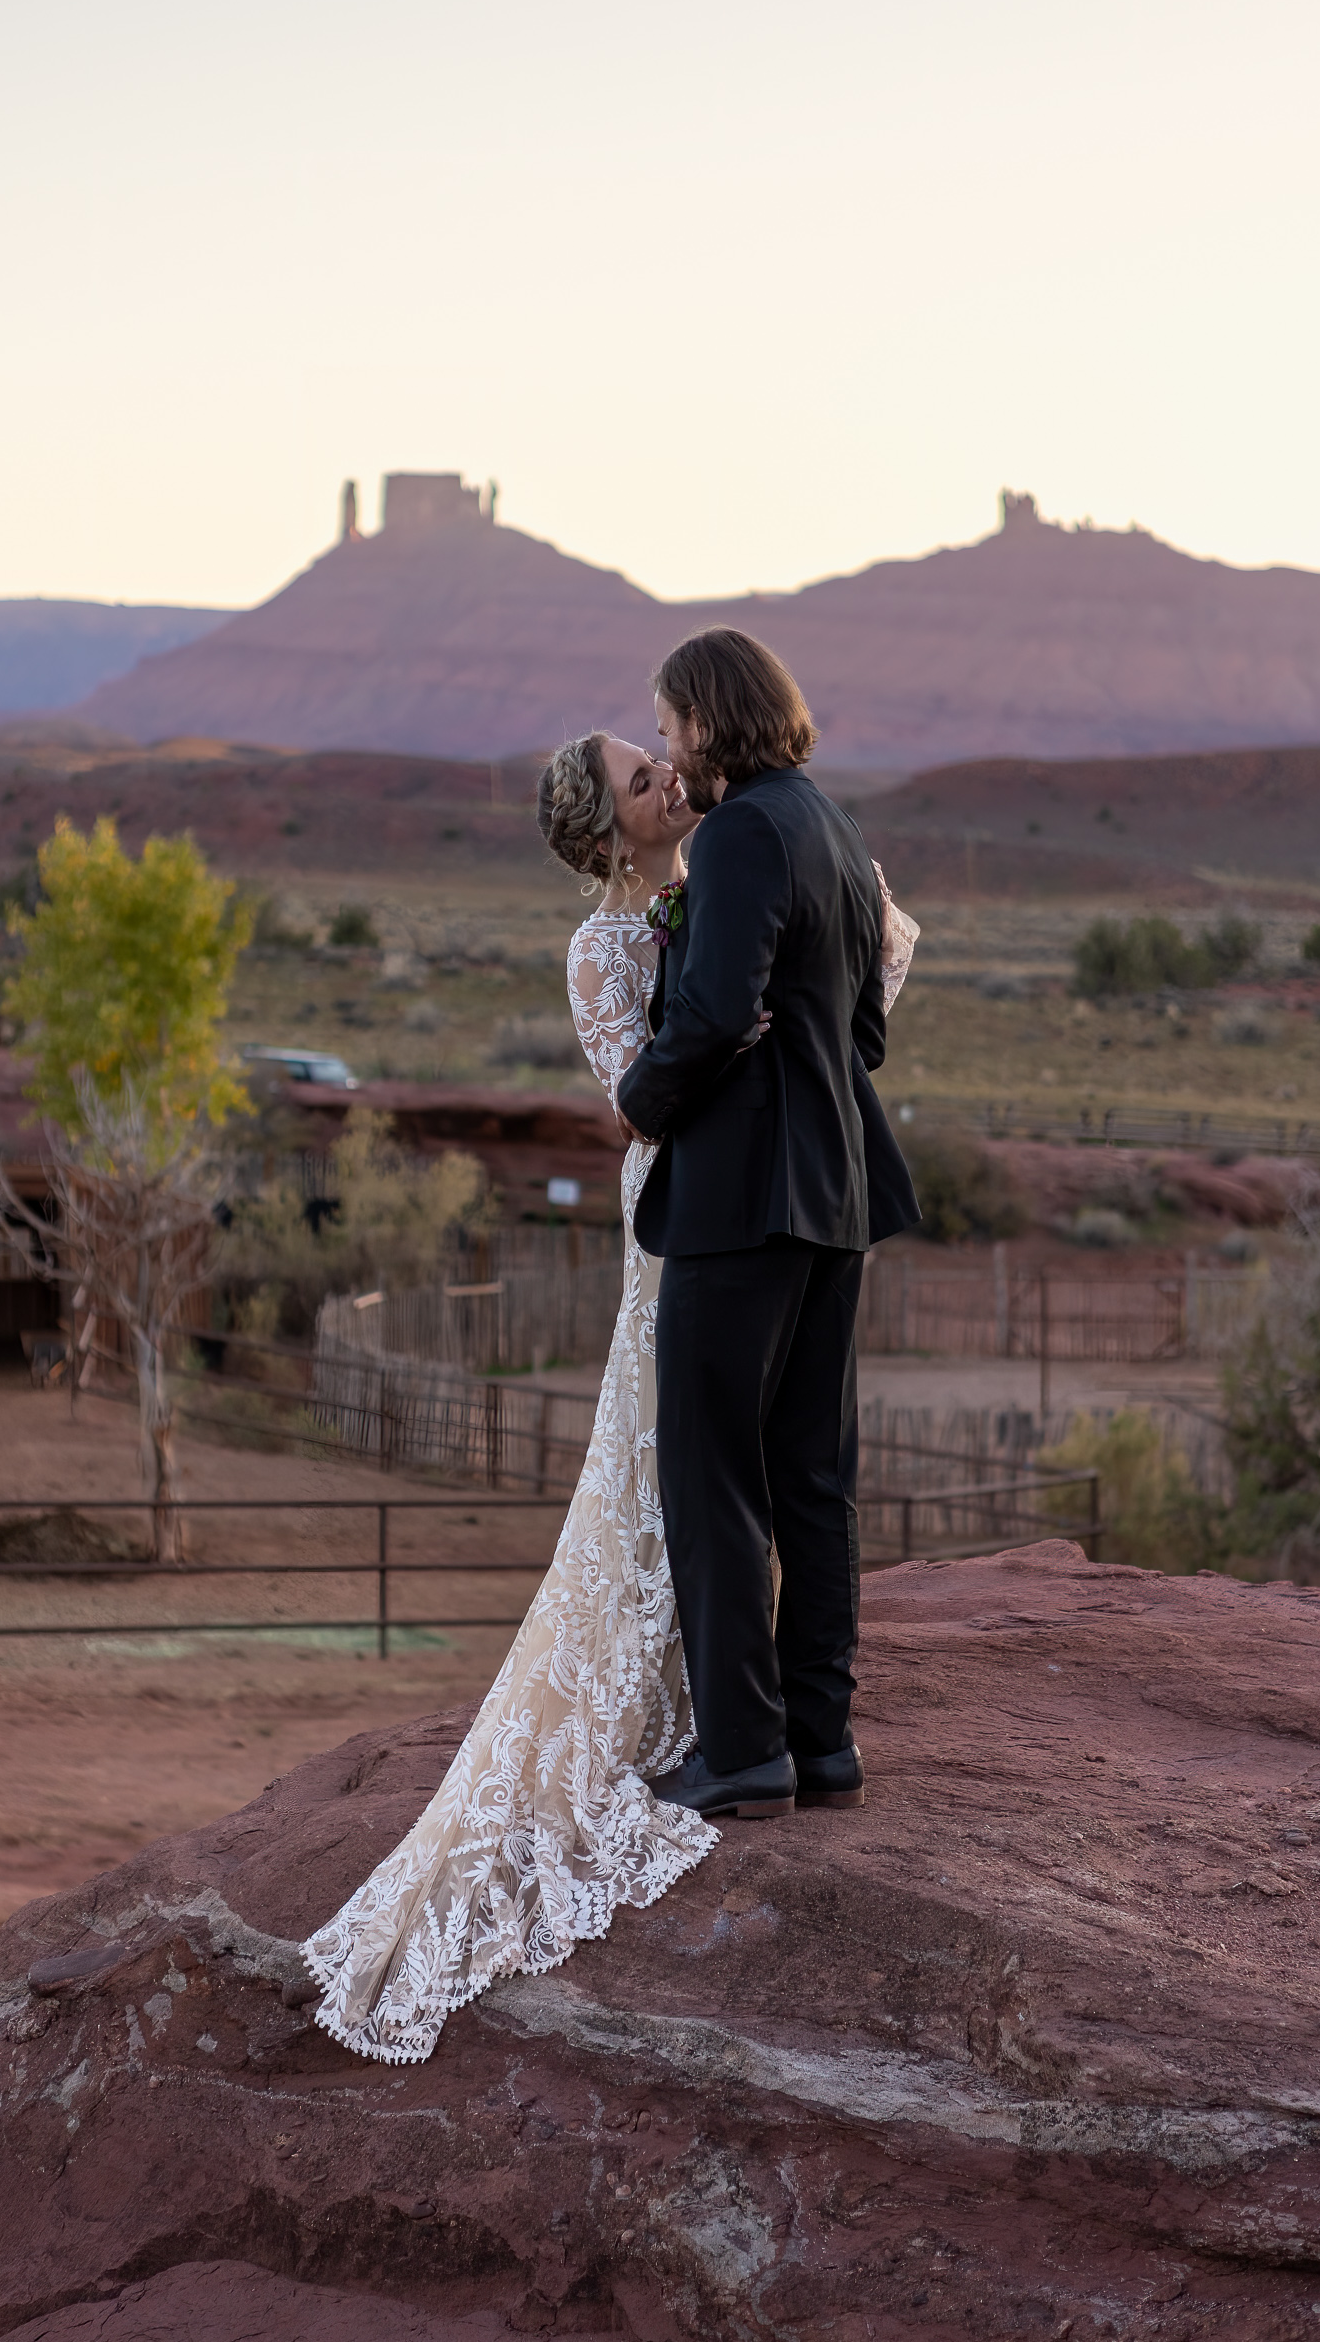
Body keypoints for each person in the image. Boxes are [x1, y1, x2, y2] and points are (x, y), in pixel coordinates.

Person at [301, 716, 916, 2062]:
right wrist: (724, 1046)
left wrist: (792, 1026)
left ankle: (738, 1721)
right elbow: (631, 1100)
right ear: (610, 829)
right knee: (669, 1456)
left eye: (664, 759)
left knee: (734, 1461)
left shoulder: (736, 869)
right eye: (643, 778)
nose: (668, 777)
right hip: (682, 1208)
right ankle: (708, 1711)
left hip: (759, 1193)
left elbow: (876, 943)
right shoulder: (602, 942)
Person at [618, 629, 920, 1824]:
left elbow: (710, 1010)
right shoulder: (831, 826)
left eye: (667, 725)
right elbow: (862, 1036)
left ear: (707, 719)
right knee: (809, 1473)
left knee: (710, 1469)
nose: (664, 751)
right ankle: (820, 1740)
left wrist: (641, 1101)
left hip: (743, 1197)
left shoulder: (742, 831)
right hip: (835, 1192)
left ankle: (742, 1751)